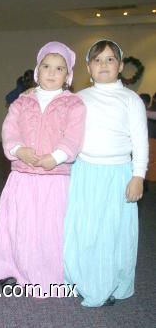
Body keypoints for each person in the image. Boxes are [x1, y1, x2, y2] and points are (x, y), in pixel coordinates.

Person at [0, 41, 85, 297]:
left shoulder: (73, 104)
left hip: (54, 179)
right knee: (17, 225)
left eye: (59, 68)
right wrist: (18, 149)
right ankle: (11, 269)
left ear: (68, 76)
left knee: (50, 229)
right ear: (37, 71)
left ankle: (52, 275)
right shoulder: (23, 101)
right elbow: (10, 130)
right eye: (46, 66)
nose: (52, 72)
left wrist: (55, 157)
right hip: (22, 175)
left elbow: (74, 138)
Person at [64, 39, 149, 307]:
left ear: (121, 66)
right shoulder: (79, 98)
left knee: (113, 233)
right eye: (97, 60)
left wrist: (138, 176)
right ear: (88, 68)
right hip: (84, 171)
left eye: (110, 59)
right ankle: (77, 279)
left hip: (118, 174)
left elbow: (140, 141)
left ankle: (110, 283)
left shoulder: (130, 99)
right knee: (81, 229)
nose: (103, 64)